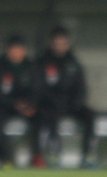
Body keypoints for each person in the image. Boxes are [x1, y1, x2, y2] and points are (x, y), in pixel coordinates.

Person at [36, 26, 95, 168]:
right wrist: (53, 101)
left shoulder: (73, 63)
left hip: (72, 105)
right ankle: (54, 153)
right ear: (52, 43)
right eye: (57, 43)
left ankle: (87, 155)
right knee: (49, 116)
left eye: (63, 43)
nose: (60, 46)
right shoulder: (43, 62)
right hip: (52, 105)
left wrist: (76, 102)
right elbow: (40, 88)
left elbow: (81, 88)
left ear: (68, 43)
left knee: (90, 115)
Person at [0, 35, 42, 167]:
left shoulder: (31, 67)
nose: (16, 53)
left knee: (42, 118)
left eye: (19, 50)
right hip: (5, 108)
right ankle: (5, 158)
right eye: (13, 50)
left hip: (27, 108)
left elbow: (38, 89)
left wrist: (30, 105)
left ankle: (37, 157)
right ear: (7, 50)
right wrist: (13, 104)